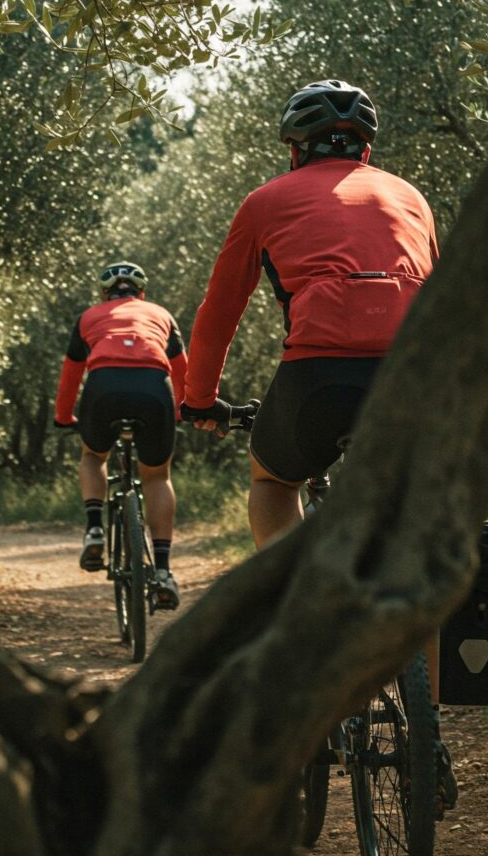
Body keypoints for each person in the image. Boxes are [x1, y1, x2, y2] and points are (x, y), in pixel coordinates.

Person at [180, 79, 456, 810]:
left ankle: (294, 598)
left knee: (274, 482)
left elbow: (218, 311)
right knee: (410, 538)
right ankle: (428, 738)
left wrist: (199, 400)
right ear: (365, 144)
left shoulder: (267, 201)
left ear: (295, 146)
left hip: (314, 382)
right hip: (410, 385)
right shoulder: (412, 196)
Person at [53, 261, 188, 610]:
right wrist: (185, 408)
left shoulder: (89, 317)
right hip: (154, 389)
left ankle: (95, 527)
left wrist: (63, 416)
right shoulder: (161, 315)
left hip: (104, 387)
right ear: (141, 293)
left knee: (92, 455)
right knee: (157, 475)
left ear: (104, 294)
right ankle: (161, 570)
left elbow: (71, 373)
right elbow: (182, 368)